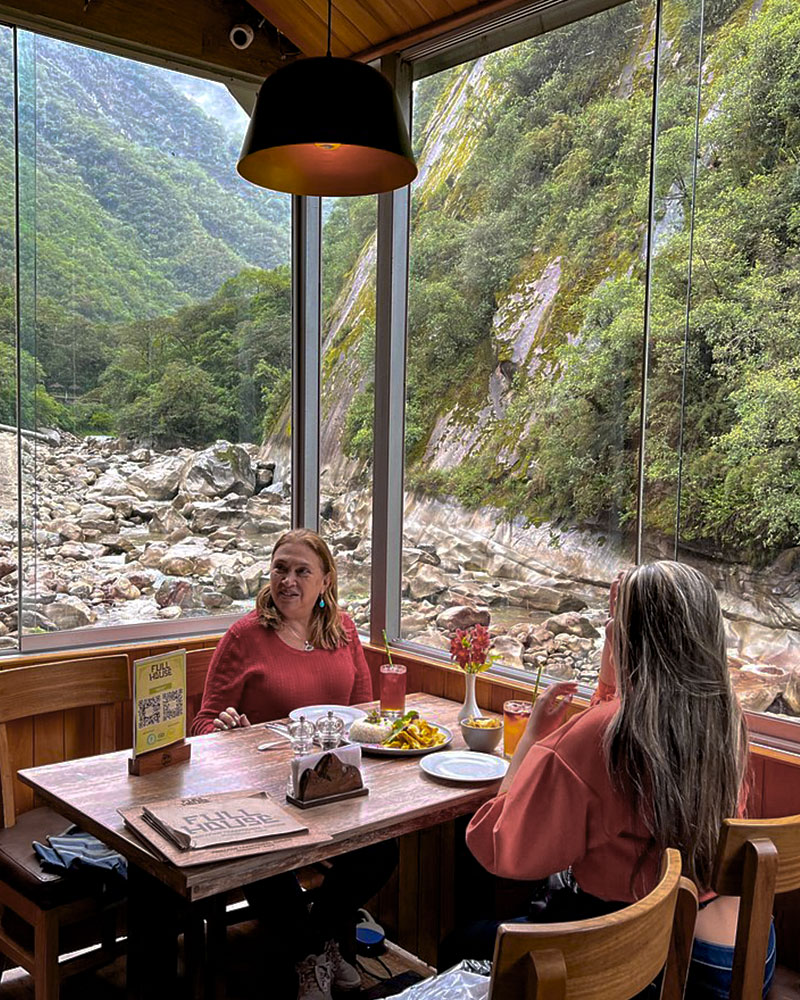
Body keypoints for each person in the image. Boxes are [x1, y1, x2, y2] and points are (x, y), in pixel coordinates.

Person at [462, 561, 775, 999]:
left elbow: (497, 843)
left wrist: (532, 738)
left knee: (467, 940)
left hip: (655, 965)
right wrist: (610, 679)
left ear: (630, 637)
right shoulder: (726, 719)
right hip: (744, 953)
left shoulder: (605, 736)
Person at [191, 528, 396, 1000]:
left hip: (334, 788)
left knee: (382, 851)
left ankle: (317, 940)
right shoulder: (244, 636)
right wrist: (227, 730)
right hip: (264, 797)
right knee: (264, 864)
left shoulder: (344, 630)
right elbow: (202, 725)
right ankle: (313, 954)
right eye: (280, 568)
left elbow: (364, 715)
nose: (289, 580)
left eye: (303, 571)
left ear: (325, 580)